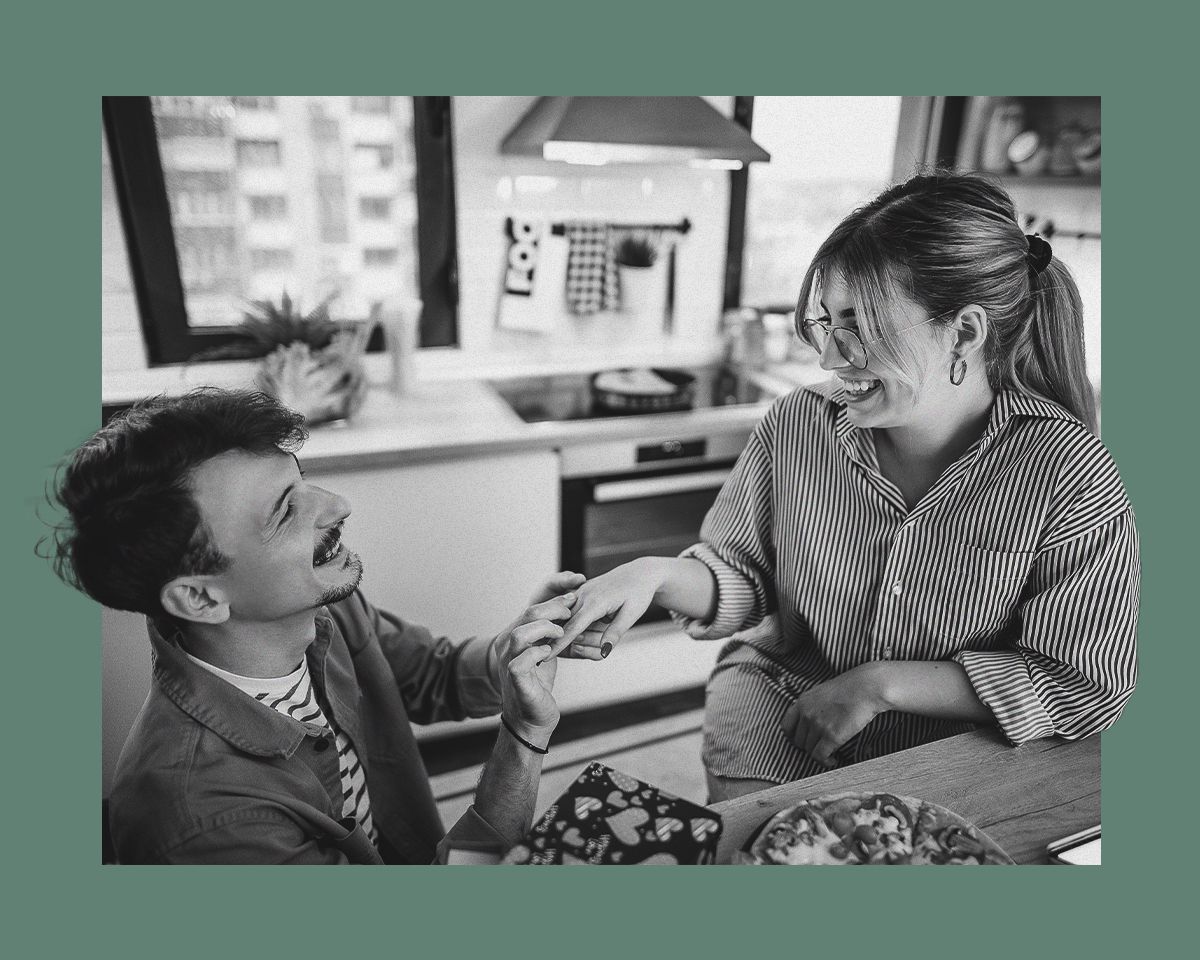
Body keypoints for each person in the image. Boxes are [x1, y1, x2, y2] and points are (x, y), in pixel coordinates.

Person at [553, 171, 1139, 802]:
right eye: (827, 322)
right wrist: (653, 575)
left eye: (858, 325)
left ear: (964, 333)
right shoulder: (799, 423)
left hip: (945, 749)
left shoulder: (1069, 472)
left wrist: (878, 684)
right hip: (780, 701)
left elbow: (1083, 681)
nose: (830, 358)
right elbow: (747, 581)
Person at [50, 388, 589, 863]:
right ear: (198, 597)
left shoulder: (326, 610)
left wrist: (518, 647)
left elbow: (433, 674)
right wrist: (523, 736)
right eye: (285, 512)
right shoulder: (204, 818)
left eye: (302, 481)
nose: (339, 504)